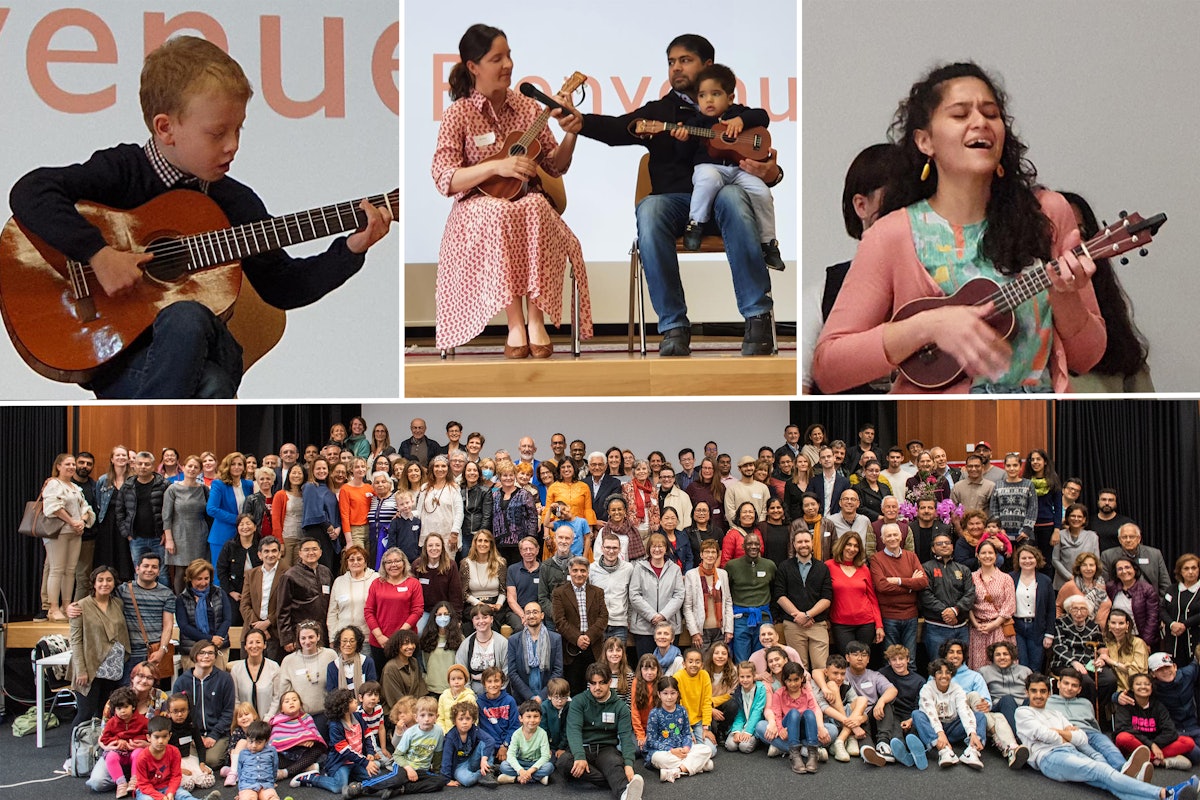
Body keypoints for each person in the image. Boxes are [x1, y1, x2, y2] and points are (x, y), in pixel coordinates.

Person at [8, 35, 392, 398]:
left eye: (239, 128)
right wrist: (98, 254)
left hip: (209, 347)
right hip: (123, 361)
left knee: (188, 319)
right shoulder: (123, 170)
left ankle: (147, 448)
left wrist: (350, 249)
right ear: (166, 128)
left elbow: (283, 287)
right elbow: (31, 191)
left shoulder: (236, 202)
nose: (233, 145)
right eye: (217, 133)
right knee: (211, 384)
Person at [812, 61, 1104, 393]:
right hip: (933, 434)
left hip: (1035, 427)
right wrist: (928, 326)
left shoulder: (1048, 213)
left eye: (991, 114)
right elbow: (829, 366)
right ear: (925, 141)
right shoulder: (893, 233)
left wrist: (1066, 300)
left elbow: (1087, 358)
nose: (980, 122)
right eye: (960, 114)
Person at [573, 33, 780, 357]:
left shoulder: (733, 112)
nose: (676, 68)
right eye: (671, 62)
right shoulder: (660, 112)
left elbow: (765, 162)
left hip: (725, 204)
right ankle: (673, 327)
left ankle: (757, 319)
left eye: (685, 60)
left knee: (732, 196)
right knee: (650, 209)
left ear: (707, 65)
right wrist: (579, 122)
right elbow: (616, 129)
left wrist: (773, 173)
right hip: (677, 206)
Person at [431, 23, 590, 356]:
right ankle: (514, 322)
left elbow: (554, 166)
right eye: (496, 58)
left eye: (509, 56)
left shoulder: (528, 107)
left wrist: (571, 134)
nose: (507, 65)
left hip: (525, 200)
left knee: (534, 207)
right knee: (500, 211)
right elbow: (444, 178)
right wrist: (494, 166)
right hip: (476, 208)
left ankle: (536, 317)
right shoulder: (458, 114)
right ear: (473, 67)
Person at [671, 62, 782, 271]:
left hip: (740, 169)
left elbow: (762, 116)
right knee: (708, 178)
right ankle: (695, 224)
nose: (708, 100)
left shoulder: (738, 113)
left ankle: (768, 243)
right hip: (710, 167)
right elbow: (683, 155)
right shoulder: (697, 122)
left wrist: (741, 120)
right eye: (702, 96)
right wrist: (683, 139)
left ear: (730, 98)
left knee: (762, 192)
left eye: (715, 94)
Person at [1016, 673, 1198, 800]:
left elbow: (1081, 738)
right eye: (1034, 691)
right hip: (1050, 758)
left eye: (1042, 691)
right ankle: (1166, 793)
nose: (1038, 695)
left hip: (1071, 751)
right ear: (1027, 692)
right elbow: (1044, 735)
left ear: (1049, 693)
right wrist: (1066, 734)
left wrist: (1061, 734)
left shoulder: (1056, 714)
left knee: (1108, 782)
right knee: (1104, 771)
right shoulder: (1023, 712)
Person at [555, 662, 644, 800]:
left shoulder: (620, 707)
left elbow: (626, 737)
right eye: (593, 683)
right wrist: (579, 756)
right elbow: (573, 730)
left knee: (615, 764)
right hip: (583, 747)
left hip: (606, 749)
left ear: (609, 682)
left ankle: (625, 795)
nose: (597, 687)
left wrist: (628, 764)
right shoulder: (578, 701)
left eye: (602, 683)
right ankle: (616, 780)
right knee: (564, 761)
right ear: (589, 684)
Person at [70, 565, 132, 740]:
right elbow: (76, 641)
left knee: (104, 713)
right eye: (101, 580)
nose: (105, 583)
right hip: (90, 668)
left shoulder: (117, 603)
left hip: (112, 669)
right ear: (94, 583)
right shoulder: (80, 606)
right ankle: (72, 755)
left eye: (109, 580)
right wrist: (81, 670)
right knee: (85, 713)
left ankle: (98, 751)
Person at [910, 658, 986, 769]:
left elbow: (964, 710)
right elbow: (930, 713)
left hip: (952, 727)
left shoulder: (957, 689)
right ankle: (944, 751)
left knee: (980, 716)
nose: (944, 676)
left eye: (948, 672)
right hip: (934, 731)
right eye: (939, 672)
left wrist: (972, 733)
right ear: (934, 675)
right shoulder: (926, 689)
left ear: (952, 674)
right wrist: (940, 734)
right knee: (917, 714)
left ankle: (971, 751)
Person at [870, 522, 928, 666]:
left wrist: (898, 581)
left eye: (895, 534)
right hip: (889, 617)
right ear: (882, 539)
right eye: (888, 536)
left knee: (910, 660)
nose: (892, 538)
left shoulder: (911, 556)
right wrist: (910, 585)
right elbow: (882, 586)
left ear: (901, 536)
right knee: (891, 660)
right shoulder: (876, 559)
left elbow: (923, 582)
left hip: (911, 616)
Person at [172, 639, 236, 769]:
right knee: (185, 758)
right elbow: (177, 712)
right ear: (195, 655)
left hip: (217, 734)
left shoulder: (225, 679)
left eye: (210, 653)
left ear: (215, 656)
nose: (206, 656)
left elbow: (228, 712)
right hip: (190, 735)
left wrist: (213, 735)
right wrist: (196, 736)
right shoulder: (182, 681)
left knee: (211, 761)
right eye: (202, 653)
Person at [552, 557, 609, 692]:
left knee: (595, 687)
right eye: (575, 570)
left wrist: (588, 636)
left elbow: (603, 617)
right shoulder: (559, 593)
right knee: (574, 688)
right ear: (569, 571)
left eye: (583, 571)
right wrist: (577, 638)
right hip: (571, 648)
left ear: (588, 572)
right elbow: (559, 620)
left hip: (594, 646)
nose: (579, 574)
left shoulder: (597, 592)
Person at [920, 531, 977, 661]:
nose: (944, 546)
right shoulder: (926, 568)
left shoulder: (963, 569)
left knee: (961, 666)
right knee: (938, 666)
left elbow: (970, 594)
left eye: (947, 543)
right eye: (939, 544)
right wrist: (945, 612)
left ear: (952, 546)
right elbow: (925, 595)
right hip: (936, 628)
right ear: (933, 548)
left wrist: (955, 610)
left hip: (961, 627)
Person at [826, 531, 884, 656]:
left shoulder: (863, 568)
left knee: (862, 660)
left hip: (866, 623)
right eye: (849, 544)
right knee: (848, 659)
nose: (852, 549)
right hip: (841, 624)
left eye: (856, 546)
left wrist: (879, 625)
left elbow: (872, 598)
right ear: (841, 545)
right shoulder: (829, 566)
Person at [629, 534, 686, 658]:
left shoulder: (675, 569)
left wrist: (663, 615)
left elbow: (679, 595)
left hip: (669, 626)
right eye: (654, 546)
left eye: (661, 546)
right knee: (647, 666)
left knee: (669, 667)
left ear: (666, 549)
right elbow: (634, 595)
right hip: (644, 628)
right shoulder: (639, 568)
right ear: (649, 549)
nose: (657, 549)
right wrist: (652, 615)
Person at [275, 538, 334, 652]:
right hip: (301, 634)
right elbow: (283, 610)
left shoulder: (326, 572)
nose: (311, 553)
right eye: (306, 550)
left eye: (314, 549)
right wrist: (287, 638)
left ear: (320, 552)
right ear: (300, 553)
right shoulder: (290, 576)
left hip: (323, 632)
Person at [163, 456, 211, 593]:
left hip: (199, 533)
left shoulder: (204, 489)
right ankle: (180, 603)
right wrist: (169, 540)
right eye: (189, 466)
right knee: (181, 571)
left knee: (198, 570)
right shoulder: (173, 489)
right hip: (179, 533)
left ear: (200, 471)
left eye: (196, 467)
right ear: (183, 467)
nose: (192, 469)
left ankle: (198, 601)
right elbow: (166, 516)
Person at [175, 560, 232, 671]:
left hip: (219, 647)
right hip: (192, 649)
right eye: (199, 579)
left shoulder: (219, 593)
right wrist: (210, 639)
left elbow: (227, 619)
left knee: (217, 684)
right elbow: (184, 626)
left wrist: (217, 638)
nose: (203, 583)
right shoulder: (182, 599)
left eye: (206, 578)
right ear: (190, 578)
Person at [365, 547, 424, 650]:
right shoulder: (376, 584)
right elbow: (369, 612)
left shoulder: (414, 584)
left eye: (397, 561)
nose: (393, 565)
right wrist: (379, 636)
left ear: (404, 563)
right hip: (379, 642)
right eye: (389, 562)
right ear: (384, 565)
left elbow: (417, 611)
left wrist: (399, 635)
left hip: (406, 641)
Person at [969, 539, 1015, 669]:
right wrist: (976, 624)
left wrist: (994, 624)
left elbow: (1009, 605)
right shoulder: (972, 577)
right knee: (979, 666)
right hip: (978, 629)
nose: (987, 556)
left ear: (996, 556)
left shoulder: (1006, 578)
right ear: (977, 555)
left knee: (1000, 665)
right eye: (983, 553)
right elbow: (968, 604)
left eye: (990, 553)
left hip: (999, 628)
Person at [1009, 544, 1056, 672]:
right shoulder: (1010, 578)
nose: (1027, 561)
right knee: (1021, 664)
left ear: (1037, 559)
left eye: (1031, 557)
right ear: (1018, 560)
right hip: (1016, 627)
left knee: (1036, 665)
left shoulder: (1045, 580)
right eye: (1023, 558)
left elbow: (1051, 609)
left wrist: (1049, 634)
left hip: (1037, 627)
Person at [507, 601, 564, 704]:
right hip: (523, 697)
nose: (531, 616)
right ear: (524, 616)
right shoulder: (514, 640)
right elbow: (512, 672)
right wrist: (530, 696)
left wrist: (542, 696)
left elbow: (558, 671)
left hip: (549, 696)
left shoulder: (555, 639)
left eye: (535, 612)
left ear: (542, 615)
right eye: (528, 613)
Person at [683, 539, 734, 650]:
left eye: (713, 552)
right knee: (703, 664)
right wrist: (694, 632)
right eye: (707, 552)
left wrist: (729, 629)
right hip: (701, 631)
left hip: (720, 630)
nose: (710, 555)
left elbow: (728, 602)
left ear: (717, 555)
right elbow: (687, 607)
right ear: (701, 554)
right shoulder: (691, 575)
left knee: (719, 663)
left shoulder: (723, 574)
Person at [1102, 523, 1172, 599]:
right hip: (1120, 604)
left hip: (1151, 604)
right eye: (1124, 537)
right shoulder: (1107, 556)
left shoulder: (1155, 554)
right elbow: (1104, 585)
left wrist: (1160, 605)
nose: (1128, 540)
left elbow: (1165, 584)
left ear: (1139, 538)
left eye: (1131, 537)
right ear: (1119, 539)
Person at [1108, 556, 1162, 651]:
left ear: (1135, 570)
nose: (1124, 571)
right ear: (1116, 573)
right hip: (1117, 637)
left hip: (1140, 638)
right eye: (1120, 569)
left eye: (1127, 567)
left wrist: (1145, 642)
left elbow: (1152, 618)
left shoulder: (1147, 589)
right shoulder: (1111, 588)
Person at [589, 533, 634, 642]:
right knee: (599, 659)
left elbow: (631, 596)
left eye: (615, 548)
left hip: (619, 624)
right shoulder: (591, 569)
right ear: (602, 548)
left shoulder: (628, 568)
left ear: (620, 549)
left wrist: (630, 619)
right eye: (608, 547)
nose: (611, 551)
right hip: (597, 624)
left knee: (617, 658)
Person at [457, 606, 511, 694]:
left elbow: (506, 670)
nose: (481, 621)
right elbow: (461, 670)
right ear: (473, 622)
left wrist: (496, 691)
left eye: (485, 617)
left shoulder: (502, 643)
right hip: (472, 691)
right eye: (477, 618)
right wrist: (469, 694)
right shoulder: (466, 644)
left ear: (492, 619)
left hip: (497, 691)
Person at [228, 628, 279, 721]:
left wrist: (267, 720)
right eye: (250, 642)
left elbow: (277, 698)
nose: (254, 646)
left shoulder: (274, 667)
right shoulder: (236, 669)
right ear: (245, 646)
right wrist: (245, 719)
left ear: (265, 645)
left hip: (269, 722)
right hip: (245, 723)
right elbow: (235, 700)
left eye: (258, 642)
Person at [1057, 551, 1112, 628]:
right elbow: (1058, 607)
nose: (1088, 568)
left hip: (1102, 634)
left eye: (1091, 565)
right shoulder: (1070, 586)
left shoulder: (1102, 586)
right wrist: (1061, 625)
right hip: (1078, 633)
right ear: (1079, 568)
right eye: (1084, 565)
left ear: (1096, 567)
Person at [1052, 503, 1100, 590]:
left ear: (1084, 519)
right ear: (1067, 518)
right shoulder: (1059, 535)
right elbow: (1055, 559)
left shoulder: (1092, 536)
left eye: (1079, 516)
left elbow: (1096, 560)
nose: (1076, 519)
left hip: (1086, 582)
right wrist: (1070, 577)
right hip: (1063, 583)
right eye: (1073, 516)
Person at [1163, 554, 1200, 666]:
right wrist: (1172, 624)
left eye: (1194, 568)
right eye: (1186, 568)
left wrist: (1184, 625)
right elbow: (1162, 609)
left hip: (1195, 639)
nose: (1190, 572)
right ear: (1180, 571)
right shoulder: (1172, 589)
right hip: (1173, 641)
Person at [327, 625, 380, 694]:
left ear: (357, 643)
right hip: (341, 704)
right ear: (339, 643)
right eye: (344, 641)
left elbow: (372, 689)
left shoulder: (367, 662)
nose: (348, 644)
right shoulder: (332, 666)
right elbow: (332, 694)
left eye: (352, 641)